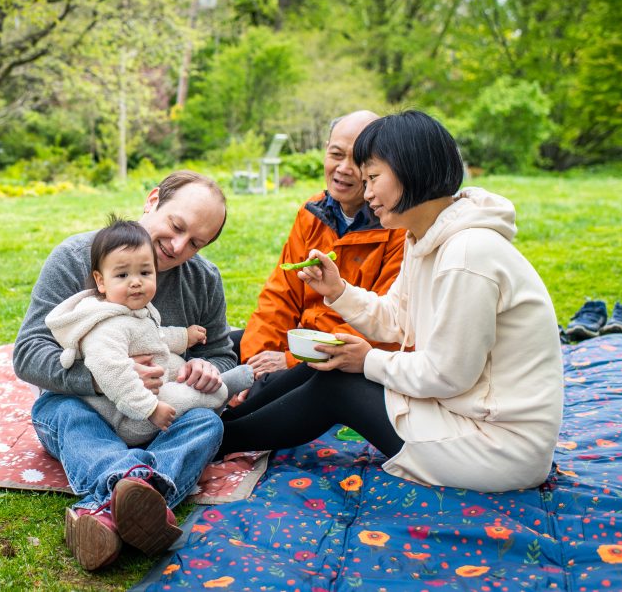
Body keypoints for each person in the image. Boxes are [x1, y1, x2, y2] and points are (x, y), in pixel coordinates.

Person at [220, 110, 564, 492]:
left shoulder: (468, 255)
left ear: (409, 169)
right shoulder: (427, 239)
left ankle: (216, 441)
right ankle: (218, 427)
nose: (366, 193)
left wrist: (367, 360)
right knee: (330, 360)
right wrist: (339, 292)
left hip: (497, 448)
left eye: (372, 178)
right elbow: (397, 319)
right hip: (461, 414)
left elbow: (449, 375)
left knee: (339, 383)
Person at [14, 171, 238, 570]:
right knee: (67, 414)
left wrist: (209, 366)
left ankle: (104, 513)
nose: (178, 246)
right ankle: (135, 496)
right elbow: (28, 354)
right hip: (86, 409)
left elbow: (222, 353)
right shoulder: (75, 257)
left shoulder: (204, 279)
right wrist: (102, 379)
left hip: (161, 417)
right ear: (153, 200)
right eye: (176, 226)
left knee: (208, 423)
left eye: (196, 243)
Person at [235, 110, 406, 398]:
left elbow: (384, 326)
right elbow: (279, 297)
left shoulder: (398, 228)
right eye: (336, 154)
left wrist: (293, 360)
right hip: (303, 344)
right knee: (230, 346)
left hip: (349, 361)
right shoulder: (312, 213)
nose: (343, 168)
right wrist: (254, 365)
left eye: (359, 161)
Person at [46, 217, 254, 446]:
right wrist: (150, 409)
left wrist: (185, 337)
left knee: (184, 378)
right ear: (100, 281)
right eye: (123, 275)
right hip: (130, 415)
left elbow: (156, 336)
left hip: (151, 383)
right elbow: (113, 372)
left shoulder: (134, 311)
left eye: (145, 273)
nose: (136, 282)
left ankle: (150, 470)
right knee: (180, 397)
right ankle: (218, 392)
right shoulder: (105, 325)